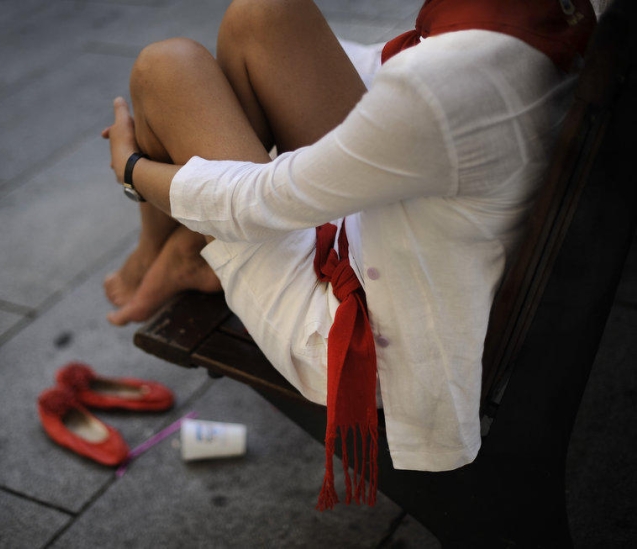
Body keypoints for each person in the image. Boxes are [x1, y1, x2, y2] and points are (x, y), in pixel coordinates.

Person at [101, 0, 596, 507]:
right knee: (267, 16)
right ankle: (181, 249)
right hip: (410, 244)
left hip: (361, 331)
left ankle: (158, 253)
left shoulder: (445, 85)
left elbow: (260, 199)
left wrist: (131, 169)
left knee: (164, 68)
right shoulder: (538, 19)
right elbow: (394, 83)